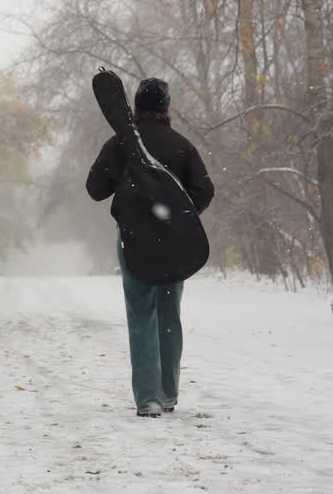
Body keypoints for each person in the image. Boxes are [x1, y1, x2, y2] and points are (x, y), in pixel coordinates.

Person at [85, 77, 214, 418]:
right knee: (169, 316)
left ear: (137, 106)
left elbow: (95, 188)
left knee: (141, 314)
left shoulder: (122, 143)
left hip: (133, 240)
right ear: (166, 107)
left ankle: (148, 399)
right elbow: (204, 190)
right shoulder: (181, 146)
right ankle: (169, 393)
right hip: (175, 243)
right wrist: (179, 218)